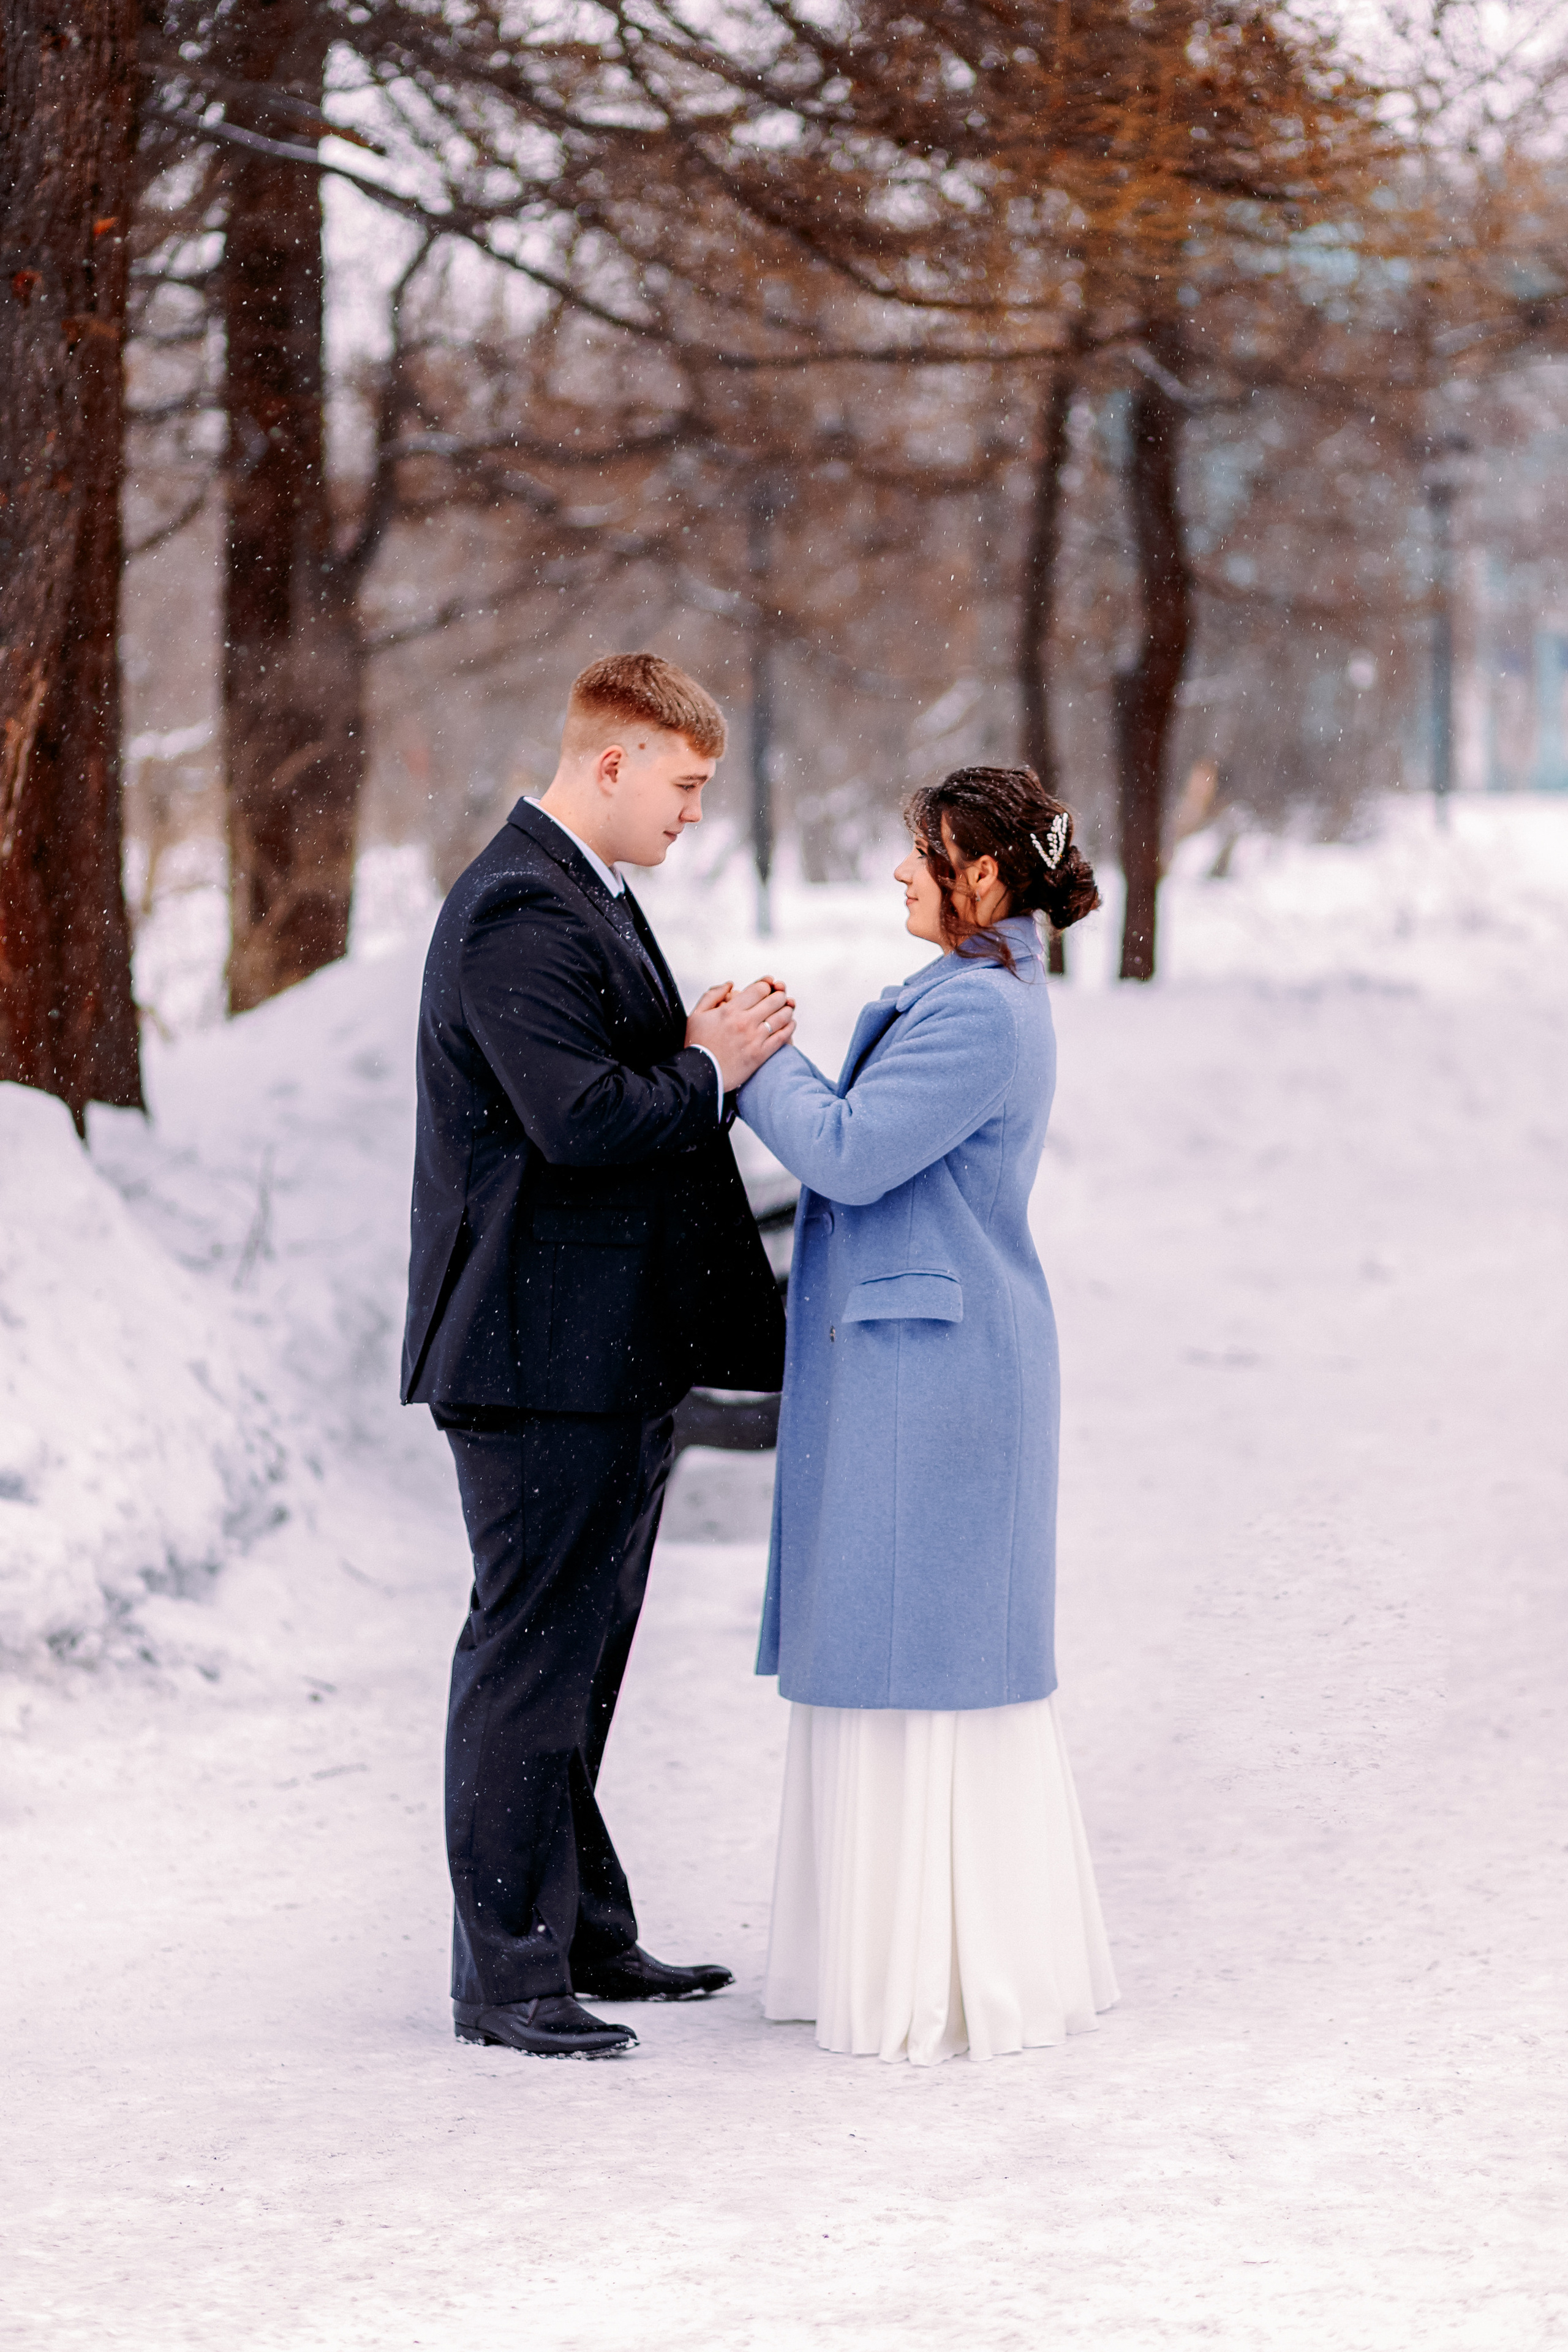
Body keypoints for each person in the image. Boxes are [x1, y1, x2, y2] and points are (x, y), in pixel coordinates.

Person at [402, 652, 796, 2059]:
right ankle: (504, 1978)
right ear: (612, 762)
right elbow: (578, 1121)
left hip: (598, 1355)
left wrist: (701, 1063)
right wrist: (709, 1067)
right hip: (529, 1356)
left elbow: (625, 1100)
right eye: (685, 785)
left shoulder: (593, 896)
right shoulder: (519, 904)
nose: (696, 812)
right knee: (529, 1658)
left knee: (583, 1659)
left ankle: (579, 1933)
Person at [736, 764, 1120, 2065]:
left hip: (937, 1380)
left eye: (924, 853)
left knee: (928, 1668)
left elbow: (845, 1153)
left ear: (987, 879)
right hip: (921, 1365)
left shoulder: (983, 1014)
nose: (901, 872)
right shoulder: (975, 994)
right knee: (909, 1664)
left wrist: (751, 1062)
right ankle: (911, 1962)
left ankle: (940, 1979)